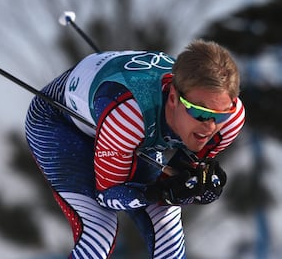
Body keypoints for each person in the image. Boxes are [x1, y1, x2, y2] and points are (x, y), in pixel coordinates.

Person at [25, 39, 245, 258]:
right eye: (200, 112)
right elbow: (108, 196)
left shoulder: (230, 123)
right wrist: (159, 192)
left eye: (221, 115)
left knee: (168, 235)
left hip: (125, 133)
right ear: (173, 98)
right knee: (100, 233)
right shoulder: (131, 115)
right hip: (59, 120)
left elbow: (180, 178)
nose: (210, 126)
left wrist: (192, 188)